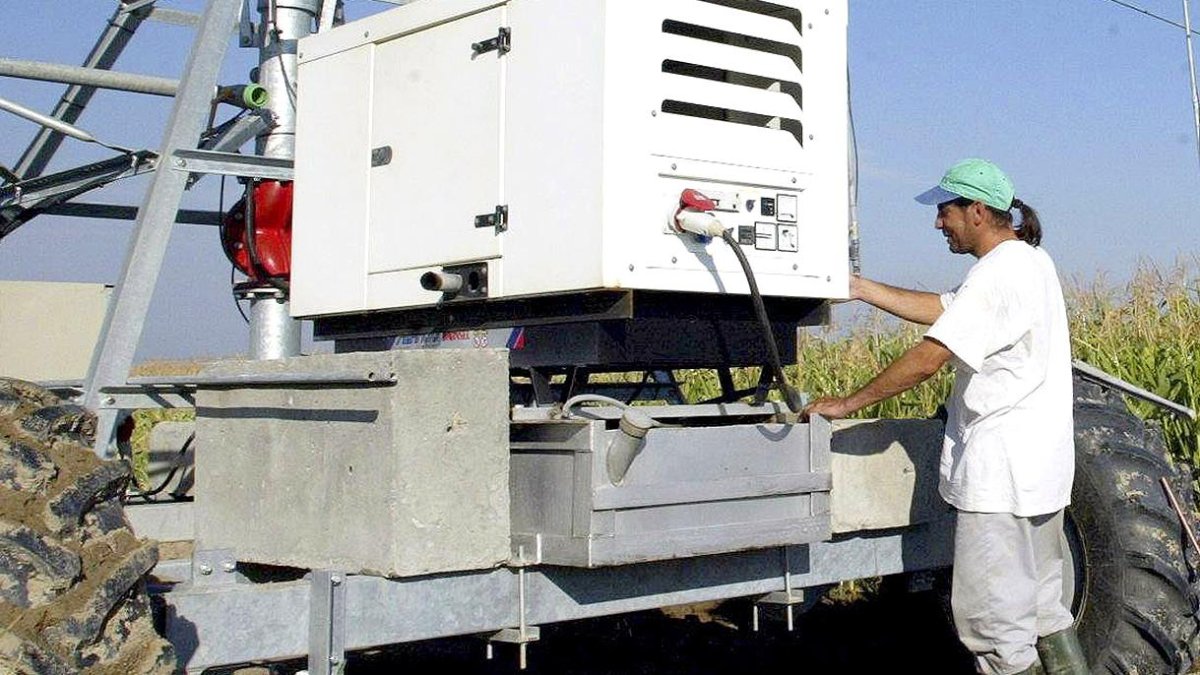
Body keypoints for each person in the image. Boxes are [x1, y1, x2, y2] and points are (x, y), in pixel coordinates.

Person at [803, 158, 1087, 675]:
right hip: (1040, 475)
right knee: (1045, 610)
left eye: (945, 211)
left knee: (995, 628)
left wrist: (845, 404)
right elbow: (944, 307)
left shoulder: (998, 276)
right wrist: (864, 289)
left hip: (999, 480)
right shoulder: (1029, 262)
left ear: (977, 211)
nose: (939, 223)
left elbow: (929, 357)